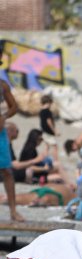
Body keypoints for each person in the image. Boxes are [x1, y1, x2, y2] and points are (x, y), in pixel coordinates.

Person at [0, 82, 23, 222]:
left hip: (0, 133)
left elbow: (14, 107)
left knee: (7, 171)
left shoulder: (2, 85)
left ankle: (13, 211)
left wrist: (4, 116)